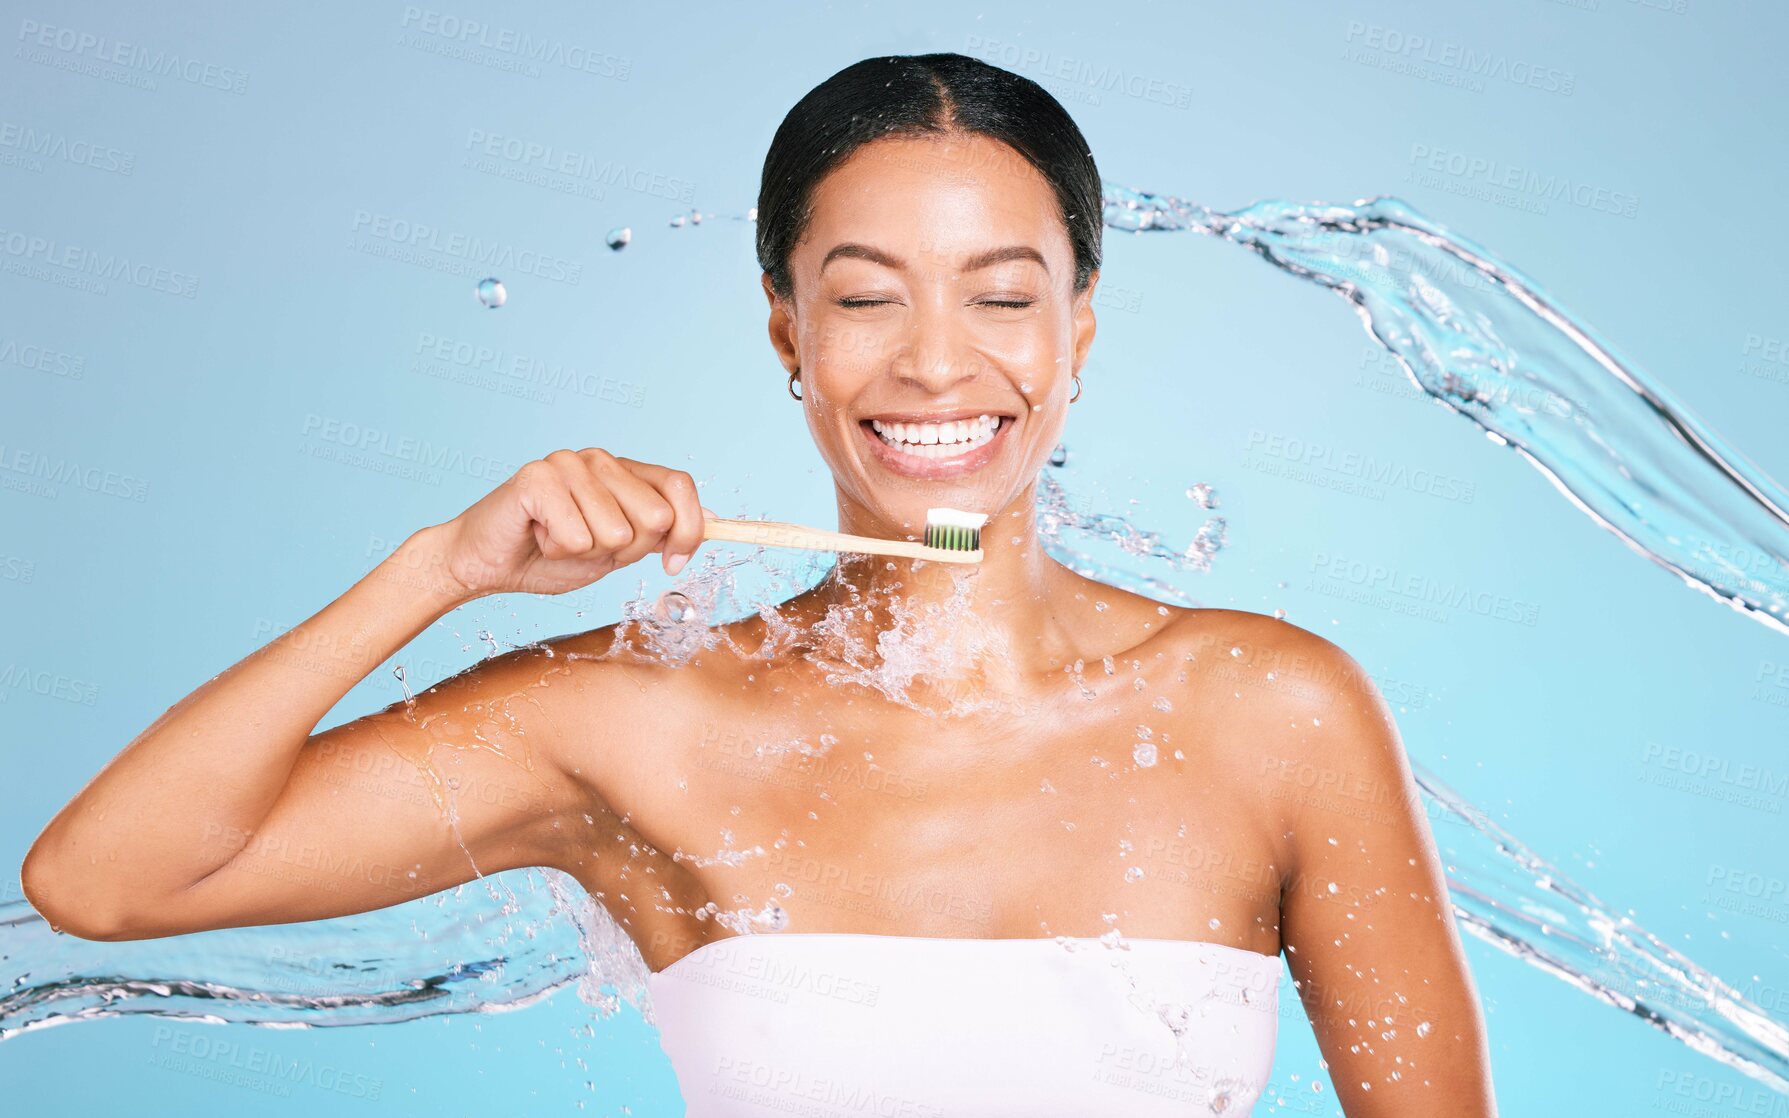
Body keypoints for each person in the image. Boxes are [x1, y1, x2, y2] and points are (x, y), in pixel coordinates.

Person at [22, 52, 1495, 1116]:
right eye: (862, 296)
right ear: (785, 331)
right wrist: (440, 571)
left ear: (1079, 332)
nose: (934, 361)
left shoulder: (1271, 708)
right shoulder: (634, 719)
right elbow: (107, 879)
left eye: (1000, 294)